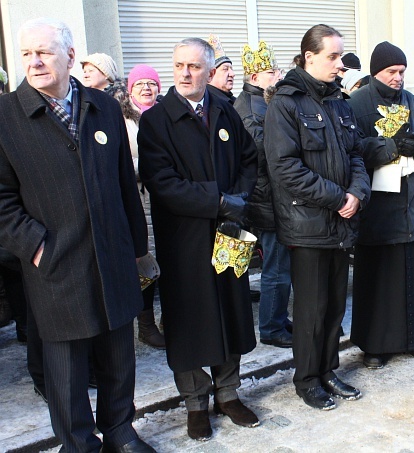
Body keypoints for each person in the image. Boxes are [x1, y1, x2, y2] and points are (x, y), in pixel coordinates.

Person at [0, 18, 154, 452]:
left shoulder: (102, 107)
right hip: (55, 262)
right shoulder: (6, 118)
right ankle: (79, 444)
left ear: (70, 56)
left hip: (113, 255)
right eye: (27, 54)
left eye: (44, 52)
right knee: (66, 371)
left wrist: (137, 248)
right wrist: (36, 247)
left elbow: (127, 183)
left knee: (119, 356)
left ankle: (121, 431)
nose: (34, 62)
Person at [138, 37, 259, 441]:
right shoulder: (156, 121)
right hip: (184, 241)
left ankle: (228, 392)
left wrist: (238, 199)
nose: (186, 74)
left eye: (193, 66)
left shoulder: (225, 111)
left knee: (230, 313)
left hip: (227, 234)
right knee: (188, 321)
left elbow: (249, 159)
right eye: (178, 66)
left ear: (209, 71)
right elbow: (162, 182)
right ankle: (195, 402)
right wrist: (218, 199)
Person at [263, 24, 370, 411]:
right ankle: (306, 378)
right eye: (333, 57)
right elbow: (285, 168)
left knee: (335, 304)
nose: (340, 65)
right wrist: (337, 196)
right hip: (308, 225)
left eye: (341, 56)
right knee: (311, 308)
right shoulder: (286, 103)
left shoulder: (339, 101)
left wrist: (357, 192)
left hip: (342, 219)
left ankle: (327, 369)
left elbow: (356, 153)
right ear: (309, 57)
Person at [347, 41, 414, 370]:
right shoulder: (357, 103)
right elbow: (350, 148)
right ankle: (374, 344)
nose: (398, 78)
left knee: (410, 276)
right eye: (392, 72)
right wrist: (390, 147)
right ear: (376, 71)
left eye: (402, 72)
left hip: (410, 204)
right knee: (377, 279)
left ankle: (412, 338)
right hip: (377, 208)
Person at [233, 41, 291, 348]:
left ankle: (278, 318)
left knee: (279, 265)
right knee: (276, 268)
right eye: (272, 71)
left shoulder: (261, 102)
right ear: (255, 77)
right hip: (266, 200)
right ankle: (271, 326)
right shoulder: (252, 109)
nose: (277, 75)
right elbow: (264, 155)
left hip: (269, 197)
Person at [108, 64, 165, 349]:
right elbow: (116, 162)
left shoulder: (166, 115)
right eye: (140, 83)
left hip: (167, 200)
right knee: (145, 264)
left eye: (151, 83)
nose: (146, 88)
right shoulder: (121, 120)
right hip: (139, 200)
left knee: (170, 262)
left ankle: (172, 319)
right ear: (130, 89)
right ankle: (146, 325)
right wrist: (151, 167)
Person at [207, 34, 236, 104]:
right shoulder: (208, 103)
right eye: (225, 69)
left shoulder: (234, 101)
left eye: (231, 69)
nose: (232, 74)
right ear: (211, 74)